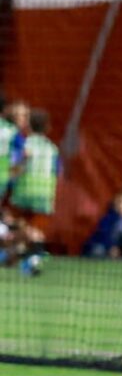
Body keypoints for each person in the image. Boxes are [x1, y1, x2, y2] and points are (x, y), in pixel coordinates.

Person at [9, 108, 58, 276]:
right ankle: (27, 258)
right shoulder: (53, 149)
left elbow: (16, 167)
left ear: (28, 125)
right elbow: (57, 172)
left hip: (23, 192)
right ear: (47, 128)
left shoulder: (25, 144)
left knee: (20, 225)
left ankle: (26, 256)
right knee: (35, 230)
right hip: (44, 195)